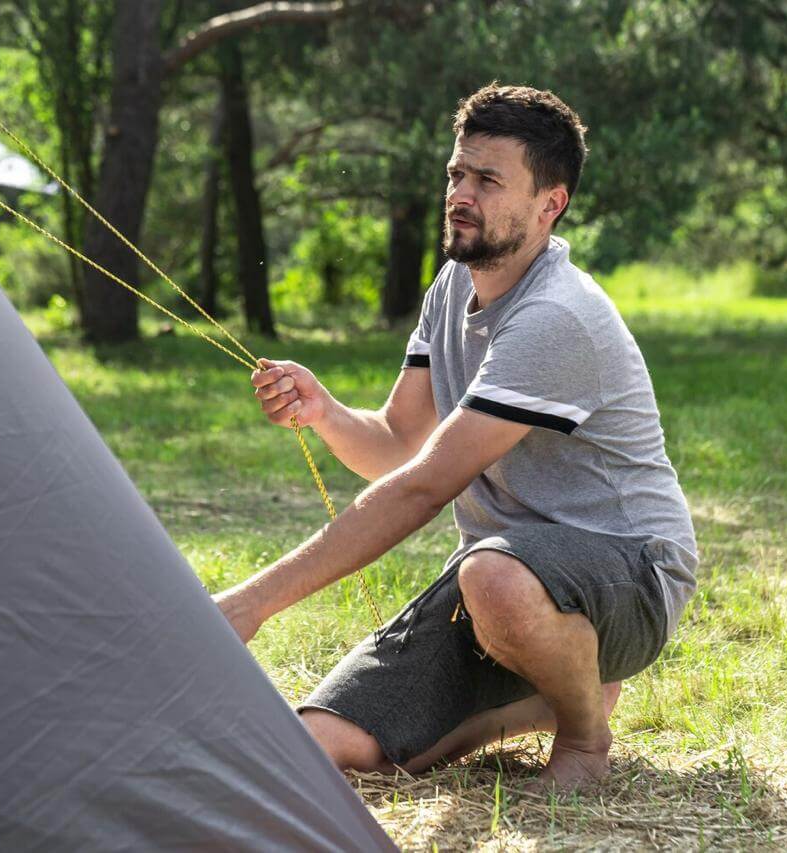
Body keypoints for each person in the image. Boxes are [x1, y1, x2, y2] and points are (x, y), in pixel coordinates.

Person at [215, 83, 698, 789]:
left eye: (489, 180)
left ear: (549, 204)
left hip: (630, 576)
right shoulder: (451, 285)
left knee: (493, 574)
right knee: (317, 745)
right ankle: (549, 689)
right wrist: (322, 410)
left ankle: (585, 738)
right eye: (457, 173)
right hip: (499, 589)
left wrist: (250, 602)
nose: (461, 194)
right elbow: (397, 443)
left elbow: (421, 487)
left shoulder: (556, 317)